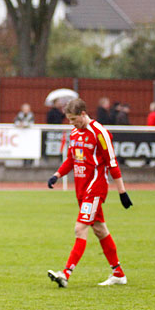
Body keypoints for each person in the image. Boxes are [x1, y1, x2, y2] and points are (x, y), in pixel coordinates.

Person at [46, 98, 133, 288]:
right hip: (81, 189)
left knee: (80, 228)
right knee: (100, 230)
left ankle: (66, 274)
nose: (71, 123)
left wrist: (122, 192)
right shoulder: (75, 133)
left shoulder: (99, 132)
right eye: (69, 120)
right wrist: (57, 175)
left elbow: (112, 163)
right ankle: (118, 273)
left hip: (95, 187)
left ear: (83, 114)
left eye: (74, 119)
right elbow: (71, 159)